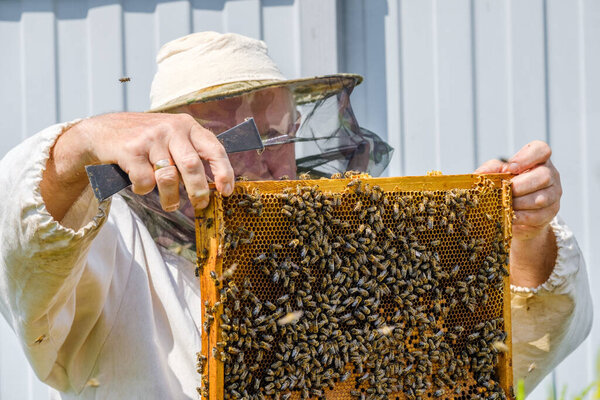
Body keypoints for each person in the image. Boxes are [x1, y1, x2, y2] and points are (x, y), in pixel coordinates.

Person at [0, 31, 592, 399]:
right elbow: (21, 242)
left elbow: (516, 345)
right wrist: (82, 140)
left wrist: (523, 238)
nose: (268, 155)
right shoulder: (113, 251)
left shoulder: (350, 246)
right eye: (231, 134)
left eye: (282, 131)